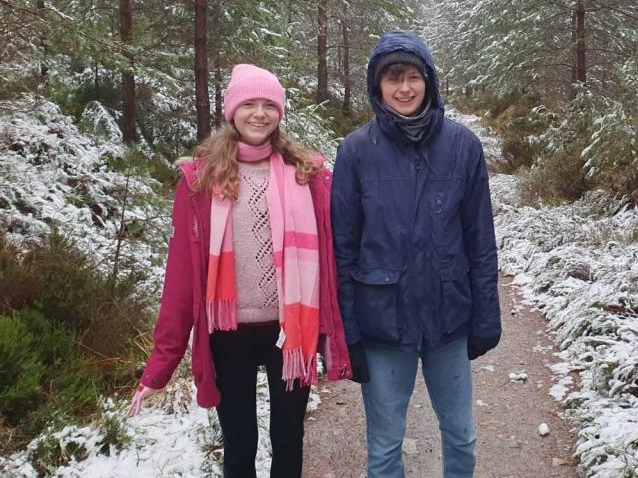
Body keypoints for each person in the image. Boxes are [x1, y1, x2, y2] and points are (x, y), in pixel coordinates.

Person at [129, 64, 351, 478]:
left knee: (289, 438)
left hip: (291, 331)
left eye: (269, 105)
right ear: (232, 111)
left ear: (280, 113)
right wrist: (160, 366)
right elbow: (180, 278)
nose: (260, 114)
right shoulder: (201, 180)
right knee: (239, 444)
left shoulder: (308, 175)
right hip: (227, 333)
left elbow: (338, 256)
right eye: (249, 104)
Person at [331, 30, 501, 478]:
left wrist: (486, 316)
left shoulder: (463, 146)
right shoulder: (355, 152)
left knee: (461, 438)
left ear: (429, 81)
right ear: (377, 86)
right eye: (393, 78)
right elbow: (342, 249)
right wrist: (349, 333)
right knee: (385, 447)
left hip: (449, 318)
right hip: (382, 323)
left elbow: (480, 241)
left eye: (412, 77)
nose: (404, 88)